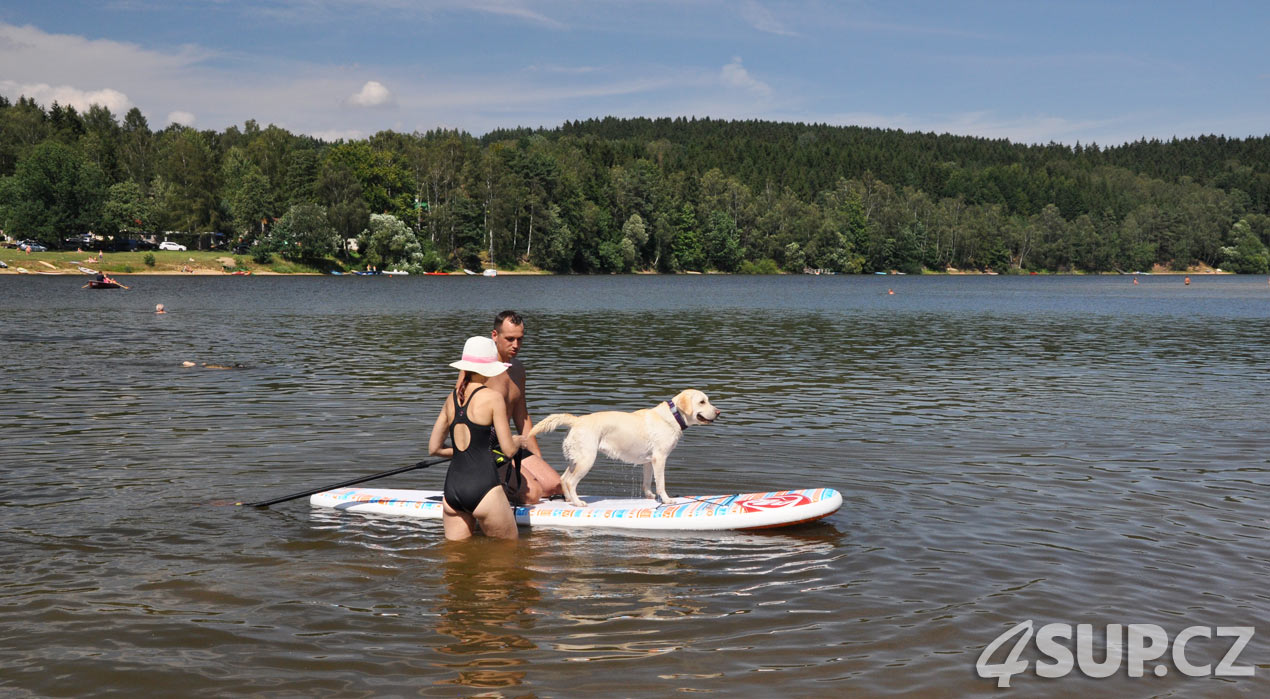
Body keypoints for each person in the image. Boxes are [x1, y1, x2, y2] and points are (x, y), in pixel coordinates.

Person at [429, 336, 522, 540]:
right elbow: (507, 450)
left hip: (453, 489)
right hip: (484, 487)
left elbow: (434, 449)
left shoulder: (451, 398)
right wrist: (518, 441)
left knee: (455, 564)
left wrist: (465, 452)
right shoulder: (493, 398)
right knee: (506, 556)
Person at [482, 311, 563, 504]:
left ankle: (508, 483)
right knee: (532, 493)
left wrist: (537, 458)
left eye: (520, 339)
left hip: (508, 444)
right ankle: (486, 491)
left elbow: (522, 417)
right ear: (495, 335)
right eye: (510, 339)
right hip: (484, 448)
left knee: (554, 485)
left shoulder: (517, 369)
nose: (516, 345)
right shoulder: (480, 369)